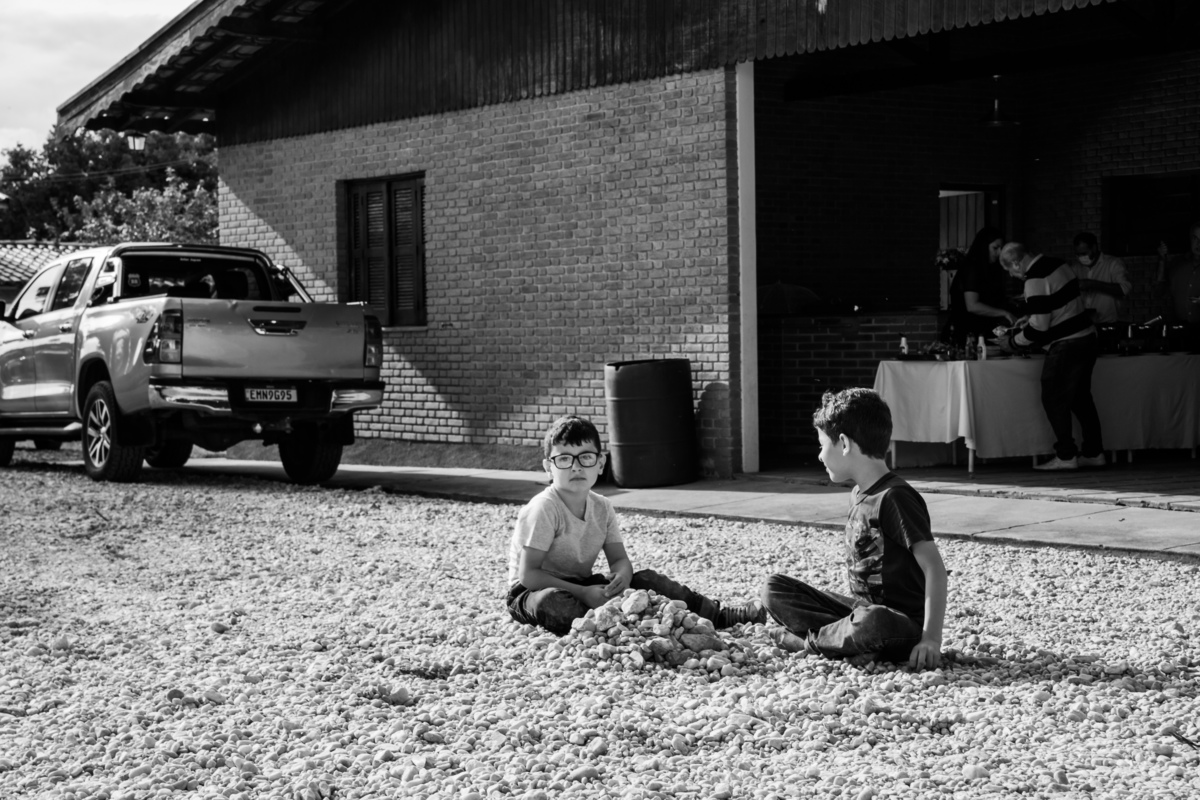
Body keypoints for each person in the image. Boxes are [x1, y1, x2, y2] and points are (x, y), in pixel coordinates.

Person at [506, 415, 765, 635]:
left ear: (600, 463)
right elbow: (529, 575)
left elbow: (619, 560)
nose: (575, 467)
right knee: (553, 603)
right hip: (532, 591)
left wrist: (622, 578)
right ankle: (615, 625)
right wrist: (584, 594)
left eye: (585, 457)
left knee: (647, 579)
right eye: (564, 459)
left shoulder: (602, 506)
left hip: (582, 583)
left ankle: (717, 615)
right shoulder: (544, 508)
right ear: (548, 468)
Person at [760, 388, 948, 670]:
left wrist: (930, 639)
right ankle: (845, 643)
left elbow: (935, 568)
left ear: (844, 443)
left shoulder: (895, 497)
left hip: (897, 624)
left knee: (874, 622)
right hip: (858, 612)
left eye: (823, 445)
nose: (820, 456)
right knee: (774, 587)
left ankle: (805, 643)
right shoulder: (858, 493)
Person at [999, 242, 1105, 470]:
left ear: (1017, 262)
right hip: (1087, 337)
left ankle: (1066, 456)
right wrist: (1031, 318)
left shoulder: (1034, 279)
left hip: (1066, 343)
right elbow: (1061, 303)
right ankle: (1094, 453)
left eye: (1010, 269)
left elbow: (1039, 328)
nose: (1011, 274)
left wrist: (1012, 342)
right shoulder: (1058, 264)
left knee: (1054, 397)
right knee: (1081, 398)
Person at [944, 226, 1017, 342]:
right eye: (995, 248)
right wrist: (1004, 313)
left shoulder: (986, 269)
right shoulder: (972, 268)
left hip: (978, 333)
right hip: (966, 334)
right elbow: (972, 305)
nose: (999, 253)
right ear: (984, 246)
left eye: (1001, 248)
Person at [1071, 232, 1131, 324]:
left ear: (1094, 248)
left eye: (1084, 253)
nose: (1081, 257)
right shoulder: (1075, 268)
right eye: (1078, 255)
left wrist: (1092, 284)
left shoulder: (1113, 263)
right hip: (1085, 325)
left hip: (1110, 324)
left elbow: (1124, 289)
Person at [1155, 222, 1200, 335]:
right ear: (1190, 240)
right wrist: (1162, 260)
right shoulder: (1178, 265)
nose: (1198, 243)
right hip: (1179, 332)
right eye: (1195, 238)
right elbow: (1159, 292)